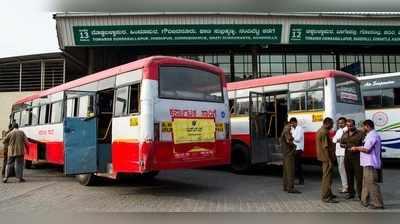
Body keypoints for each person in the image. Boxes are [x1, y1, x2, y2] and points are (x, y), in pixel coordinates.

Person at [351, 120, 384, 209]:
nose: (362, 128)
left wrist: (356, 148)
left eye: (363, 126)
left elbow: (367, 149)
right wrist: (358, 147)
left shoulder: (373, 136)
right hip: (366, 163)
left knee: (372, 184)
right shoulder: (369, 135)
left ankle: (378, 204)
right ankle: (364, 200)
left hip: (371, 163)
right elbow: (365, 147)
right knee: (365, 183)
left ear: (367, 126)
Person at [341, 119, 364, 200]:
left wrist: (356, 148)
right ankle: (351, 193)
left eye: (351, 125)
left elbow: (364, 144)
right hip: (347, 156)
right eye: (348, 126)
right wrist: (347, 146)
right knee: (349, 176)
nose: (349, 127)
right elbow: (341, 144)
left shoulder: (360, 133)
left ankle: (361, 195)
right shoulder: (344, 133)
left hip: (357, 157)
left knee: (359, 177)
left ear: (354, 125)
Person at [316, 117, 337, 203]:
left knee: (329, 177)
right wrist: (329, 161)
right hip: (326, 158)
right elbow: (325, 148)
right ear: (327, 124)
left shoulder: (321, 130)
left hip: (324, 157)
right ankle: (325, 197)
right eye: (332, 124)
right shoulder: (324, 132)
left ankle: (329, 193)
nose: (332, 126)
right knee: (327, 178)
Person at [280, 121, 301, 194]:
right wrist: (294, 145)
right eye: (290, 125)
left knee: (286, 171)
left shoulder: (284, 130)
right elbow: (288, 140)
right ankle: (290, 188)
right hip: (289, 154)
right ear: (288, 124)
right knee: (290, 171)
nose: (291, 127)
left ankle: (285, 186)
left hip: (285, 154)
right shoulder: (287, 129)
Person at [332, 117, 348, 194]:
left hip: (343, 153)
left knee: (343, 170)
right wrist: (338, 140)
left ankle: (345, 187)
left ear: (345, 123)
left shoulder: (346, 130)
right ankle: (344, 186)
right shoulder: (339, 130)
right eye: (339, 123)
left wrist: (338, 140)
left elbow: (339, 140)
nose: (340, 124)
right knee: (341, 170)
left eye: (342, 123)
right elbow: (334, 140)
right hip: (338, 152)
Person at [290, 117, 304, 185]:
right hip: (294, 148)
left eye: (292, 123)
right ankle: (298, 179)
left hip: (299, 148)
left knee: (298, 165)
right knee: (295, 165)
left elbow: (298, 139)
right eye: (291, 123)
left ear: (295, 122)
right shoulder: (292, 129)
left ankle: (301, 180)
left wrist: (291, 138)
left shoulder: (300, 129)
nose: (291, 124)